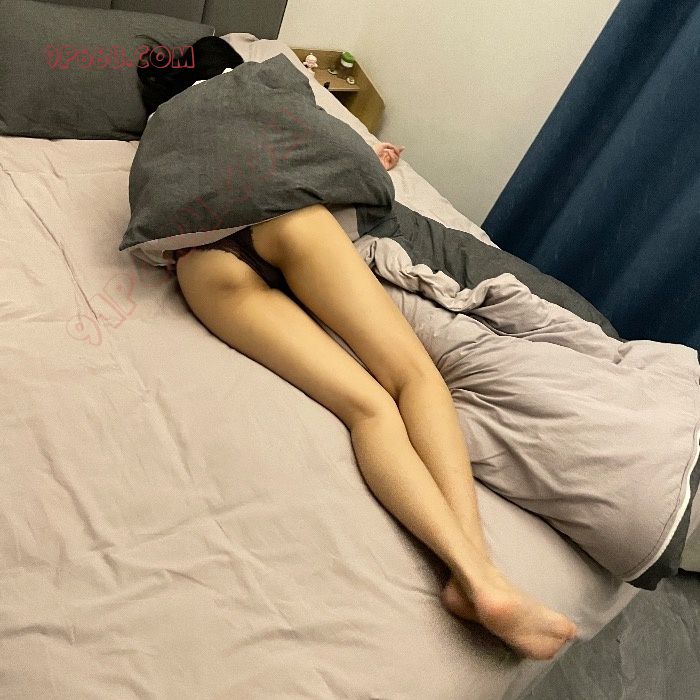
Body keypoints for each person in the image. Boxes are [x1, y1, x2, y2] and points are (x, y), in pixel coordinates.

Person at [137, 37, 579, 661]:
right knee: (412, 379)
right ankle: (477, 574)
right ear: (231, 65)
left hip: (203, 265)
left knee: (365, 408)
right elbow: (326, 151)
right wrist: (371, 162)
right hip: (287, 221)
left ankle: (476, 581)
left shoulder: (157, 135)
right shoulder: (264, 83)